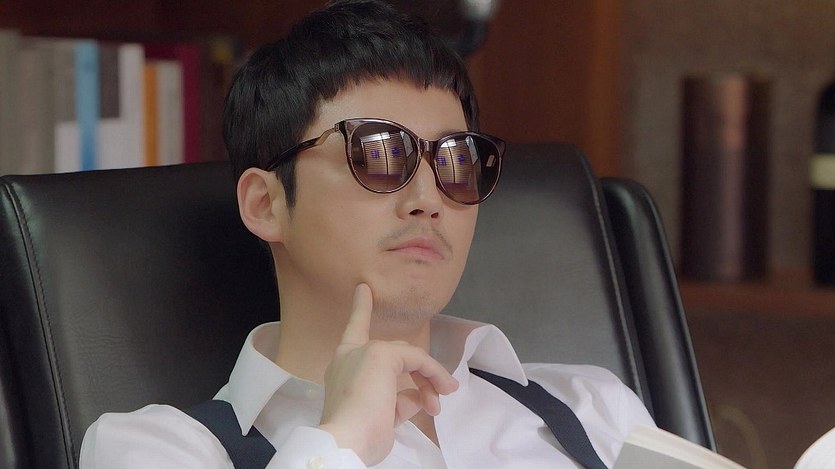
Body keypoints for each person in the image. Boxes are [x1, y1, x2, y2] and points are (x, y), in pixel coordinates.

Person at [79, 0, 655, 467]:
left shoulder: (596, 411)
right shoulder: (157, 449)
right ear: (266, 204)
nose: (428, 199)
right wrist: (342, 441)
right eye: (379, 154)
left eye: (455, 160)